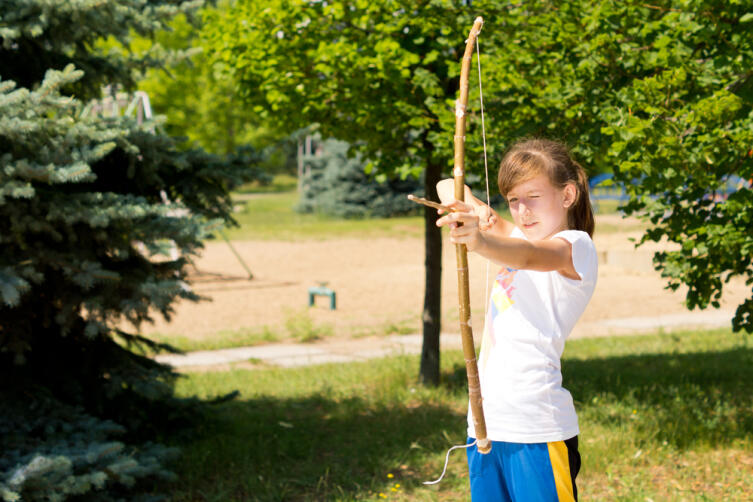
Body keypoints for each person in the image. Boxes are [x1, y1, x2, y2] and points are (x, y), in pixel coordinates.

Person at [435, 138, 597, 501]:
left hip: (537, 427)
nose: (522, 211)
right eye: (513, 200)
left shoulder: (575, 246)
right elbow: (447, 185)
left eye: (533, 197)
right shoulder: (515, 235)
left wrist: (480, 241)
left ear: (567, 195)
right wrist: (477, 212)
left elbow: (527, 255)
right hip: (486, 424)